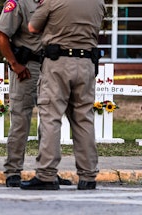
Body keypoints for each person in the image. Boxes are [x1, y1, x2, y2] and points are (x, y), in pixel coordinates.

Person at [21, 0, 106, 190]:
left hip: (58, 62)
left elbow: (33, 27)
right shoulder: (98, 2)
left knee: (51, 116)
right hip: (86, 64)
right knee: (84, 118)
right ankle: (88, 175)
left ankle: (46, 174)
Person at [0, 0, 71, 187]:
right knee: (21, 119)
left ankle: (47, 172)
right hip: (26, 68)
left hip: (51, 66)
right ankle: (13, 171)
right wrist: (14, 64)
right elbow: (0, 33)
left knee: (50, 121)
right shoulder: (18, 3)